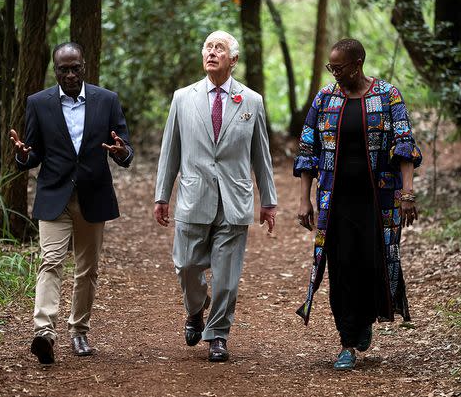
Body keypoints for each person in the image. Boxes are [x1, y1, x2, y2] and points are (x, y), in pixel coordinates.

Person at [294, 38, 422, 370]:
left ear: (358, 63)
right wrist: (305, 200)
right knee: (340, 266)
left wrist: (407, 194)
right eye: (331, 68)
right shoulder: (325, 98)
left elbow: (404, 144)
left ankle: (364, 320)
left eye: (340, 67)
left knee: (370, 262)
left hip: (377, 201)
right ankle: (347, 340)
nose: (335, 73)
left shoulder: (387, 96)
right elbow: (308, 149)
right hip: (334, 199)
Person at [154, 30, 277, 362]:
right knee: (186, 266)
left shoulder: (251, 100)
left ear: (233, 59)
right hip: (194, 196)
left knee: (226, 278)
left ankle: (218, 333)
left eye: (219, 48)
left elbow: (260, 154)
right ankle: (195, 309)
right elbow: (170, 150)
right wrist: (161, 195)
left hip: (234, 200)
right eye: (208, 47)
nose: (211, 53)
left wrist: (268, 200)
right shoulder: (183, 97)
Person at [9, 42, 133, 364]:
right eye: (63, 69)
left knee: (86, 269)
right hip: (54, 195)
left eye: (75, 67)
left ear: (84, 66)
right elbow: (33, 151)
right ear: (56, 71)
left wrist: (122, 152)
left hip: (93, 195)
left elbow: (124, 148)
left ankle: (79, 330)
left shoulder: (107, 101)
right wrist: (24, 155)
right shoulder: (38, 103)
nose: (70, 74)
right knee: (50, 261)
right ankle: (44, 333)